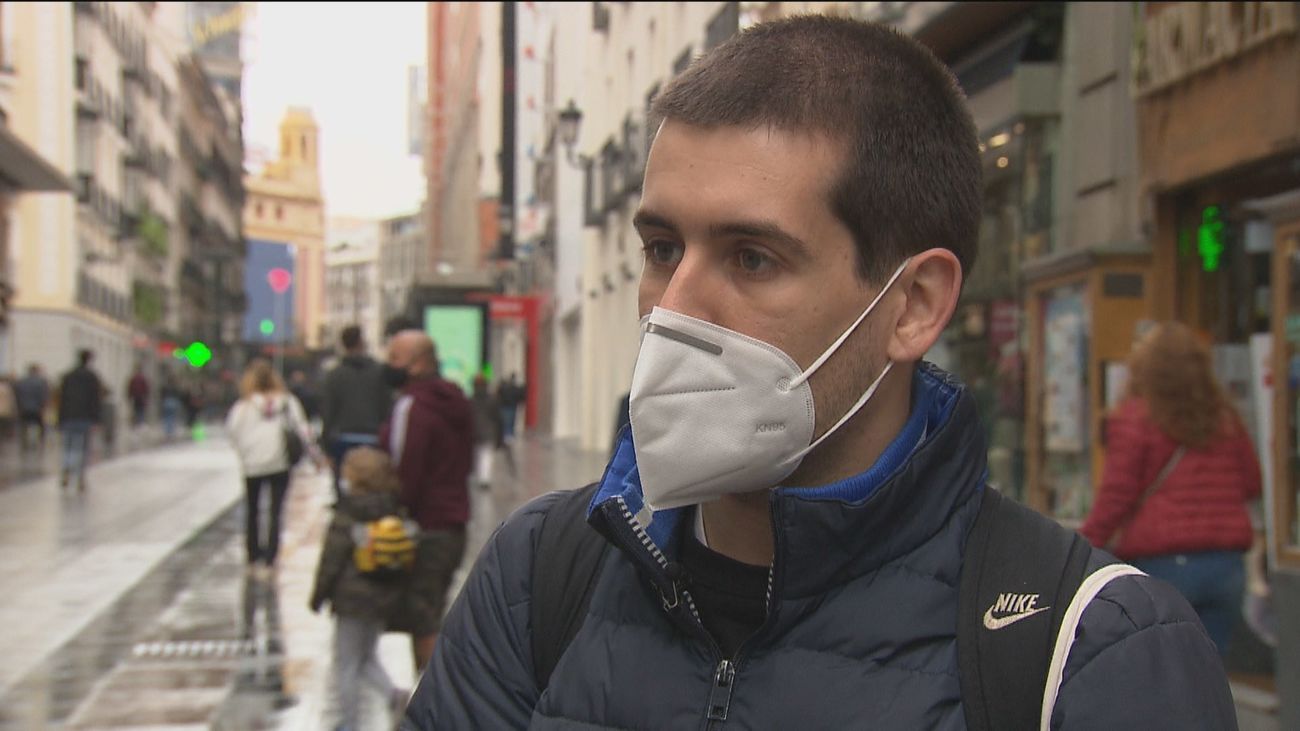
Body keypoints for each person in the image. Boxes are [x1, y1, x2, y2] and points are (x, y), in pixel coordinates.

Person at [403, 16, 1234, 729]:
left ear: (912, 304)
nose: (673, 308)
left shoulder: (1090, 650)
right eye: (662, 250)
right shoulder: (537, 575)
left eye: (753, 257)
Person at [1081, 321, 1262, 656]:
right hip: (1226, 567)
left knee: (1166, 677)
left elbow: (1116, 497)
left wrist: (1083, 547)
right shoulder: (1224, 419)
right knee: (1210, 677)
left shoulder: (1136, 418)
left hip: (1165, 566)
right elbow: (1252, 483)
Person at [379, 330, 472, 674]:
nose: (388, 366)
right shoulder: (456, 401)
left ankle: (433, 704)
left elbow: (402, 468)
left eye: (395, 359)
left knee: (422, 620)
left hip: (422, 524)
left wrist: (393, 511)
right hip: (453, 523)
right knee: (432, 612)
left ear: (417, 364)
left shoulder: (412, 405)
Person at [310, 446, 412, 731]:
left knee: (346, 665)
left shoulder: (348, 513)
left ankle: (348, 724)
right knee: (366, 656)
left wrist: (318, 596)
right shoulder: (392, 509)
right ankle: (394, 694)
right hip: (381, 598)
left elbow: (332, 558)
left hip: (350, 601)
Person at [225, 359, 316, 577]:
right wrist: (314, 454)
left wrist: (244, 452)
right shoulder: (287, 402)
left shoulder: (243, 407)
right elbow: (303, 430)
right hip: (280, 462)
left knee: (253, 510)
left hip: (252, 465)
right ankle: (270, 558)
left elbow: (232, 432)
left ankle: (253, 555)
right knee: (276, 510)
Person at [321, 325, 392, 500]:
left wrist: (326, 446)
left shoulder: (334, 375)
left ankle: (347, 516)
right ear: (362, 342)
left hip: (342, 439)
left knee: (345, 488)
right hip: (374, 437)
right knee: (376, 485)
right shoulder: (380, 372)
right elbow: (387, 407)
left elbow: (328, 411)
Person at [57, 349, 103, 491]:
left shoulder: (67, 376)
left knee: (68, 446)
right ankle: (80, 477)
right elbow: (95, 400)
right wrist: (96, 420)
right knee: (83, 448)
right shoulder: (93, 377)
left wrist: (60, 418)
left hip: (68, 416)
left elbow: (62, 399)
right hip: (85, 418)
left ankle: (66, 469)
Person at [468, 373, 502, 491]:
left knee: (477, 455)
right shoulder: (492, 400)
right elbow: (497, 418)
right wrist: (499, 436)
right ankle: (485, 479)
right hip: (489, 431)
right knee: (486, 456)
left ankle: (480, 477)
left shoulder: (470, 400)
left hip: (474, 431)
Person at [14, 364, 51, 450]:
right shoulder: (41, 382)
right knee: (40, 426)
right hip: (37, 408)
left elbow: (17, 395)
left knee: (24, 426)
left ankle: (24, 443)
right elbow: (44, 396)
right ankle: (40, 443)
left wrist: (19, 406)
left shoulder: (21, 381)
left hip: (24, 408)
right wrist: (44, 407)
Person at [160, 375, 183, 440]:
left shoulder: (165, 387)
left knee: (167, 417)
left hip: (166, 402)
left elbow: (162, 394)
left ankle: (167, 431)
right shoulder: (175, 387)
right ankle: (171, 431)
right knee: (172, 417)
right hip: (173, 402)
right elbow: (178, 394)